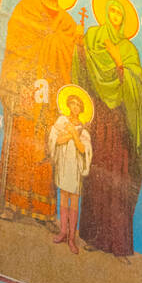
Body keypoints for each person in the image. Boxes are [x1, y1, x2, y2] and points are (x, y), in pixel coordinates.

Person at [0, 0, 81, 225]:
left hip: (52, 91)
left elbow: (71, 55)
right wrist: (42, 42)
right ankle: (12, 204)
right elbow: (16, 39)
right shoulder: (27, 7)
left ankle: (44, 211)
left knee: (47, 147)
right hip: (27, 86)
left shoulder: (67, 22)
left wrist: (75, 42)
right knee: (21, 139)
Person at [72, 0, 142, 256]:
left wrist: (119, 62)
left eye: (119, 14)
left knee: (119, 180)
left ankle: (119, 245)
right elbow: (83, 73)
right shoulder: (93, 37)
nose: (114, 17)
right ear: (104, 14)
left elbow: (137, 86)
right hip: (99, 118)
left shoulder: (129, 50)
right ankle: (92, 237)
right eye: (111, 12)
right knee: (96, 173)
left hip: (119, 124)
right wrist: (79, 48)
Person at [47, 90, 93, 254]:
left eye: (78, 105)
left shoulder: (84, 130)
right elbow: (56, 140)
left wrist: (75, 134)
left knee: (74, 200)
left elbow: (83, 149)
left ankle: (72, 238)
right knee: (63, 196)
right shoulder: (62, 121)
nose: (75, 107)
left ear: (81, 109)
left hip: (75, 168)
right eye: (73, 103)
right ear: (68, 105)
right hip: (64, 164)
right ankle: (63, 232)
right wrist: (71, 135)